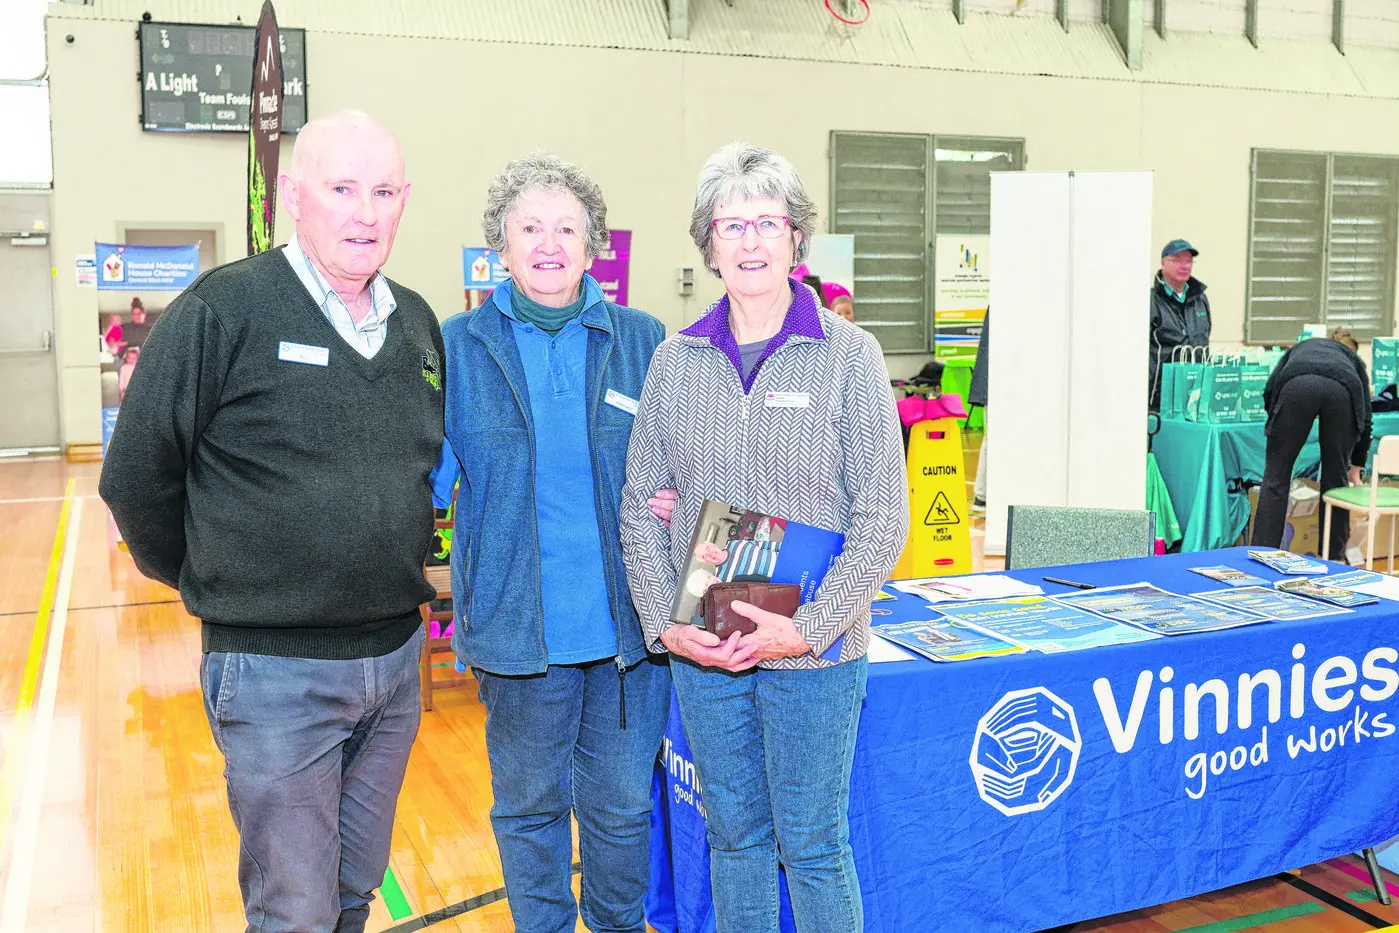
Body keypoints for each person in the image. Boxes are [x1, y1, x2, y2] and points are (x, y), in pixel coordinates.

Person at [99, 110, 441, 933]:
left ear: (404, 202)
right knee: (293, 912)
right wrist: (215, 578)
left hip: (394, 667)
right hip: (274, 672)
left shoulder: (418, 325)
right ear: (293, 194)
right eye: (342, 188)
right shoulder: (224, 311)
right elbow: (136, 476)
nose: (365, 212)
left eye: (384, 191)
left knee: (353, 891)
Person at [620, 142, 909, 933]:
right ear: (707, 245)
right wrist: (667, 624)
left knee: (813, 845)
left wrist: (804, 630)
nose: (749, 241)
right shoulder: (673, 363)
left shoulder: (851, 356)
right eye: (730, 224)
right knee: (734, 837)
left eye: (766, 223)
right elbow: (640, 504)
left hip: (815, 655)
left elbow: (883, 519)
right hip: (705, 651)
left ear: (796, 239)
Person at [429, 153, 672, 933]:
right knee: (530, 813)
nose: (547, 243)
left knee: (621, 812)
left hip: (630, 636)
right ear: (498, 246)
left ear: (593, 243)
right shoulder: (458, 345)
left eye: (566, 227)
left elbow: (692, 463)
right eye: (528, 227)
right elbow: (421, 481)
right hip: (517, 633)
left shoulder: (644, 340)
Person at [1252, 327, 1373, 562]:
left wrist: (1277, 426)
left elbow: (1270, 391)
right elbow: (1365, 418)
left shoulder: (1302, 348)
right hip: (1343, 392)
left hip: (1297, 385)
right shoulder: (1354, 364)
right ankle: (1334, 556)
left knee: (1276, 478)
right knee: (1335, 478)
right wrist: (1357, 464)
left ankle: (1262, 554)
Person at [1149, 238, 1211, 411]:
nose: (1184, 266)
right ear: (1163, 263)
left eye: (1189, 261)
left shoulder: (1200, 300)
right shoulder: (1151, 302)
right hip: (1159, 400)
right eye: (1177, 260)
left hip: (1196, 399)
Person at [969, 308, 990, 510]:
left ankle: (982, 495)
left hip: (990, 384)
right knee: (992, 439)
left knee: (990, 439)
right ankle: (982, 495)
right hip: (993, 385)